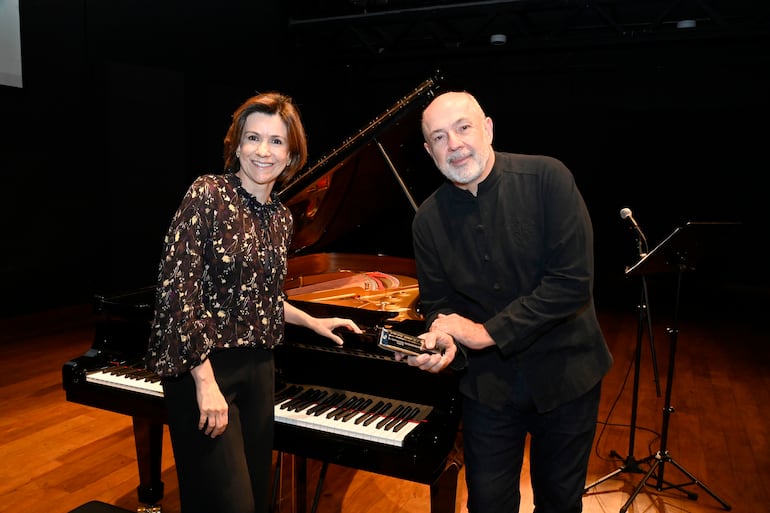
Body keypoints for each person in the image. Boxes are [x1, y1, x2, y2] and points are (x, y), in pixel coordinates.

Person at [145, 91, 362, 513]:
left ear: (291, 154)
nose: (264, 151)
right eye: (253, 138)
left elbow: (261, 299)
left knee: (260, 500)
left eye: (276, 141)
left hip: (259, 369)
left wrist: (313, 321)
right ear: (237, 145)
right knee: (229, 505)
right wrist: (206, 385)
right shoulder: (207, 194)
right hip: (203, 369)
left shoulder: (281, 218)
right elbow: (176, 291)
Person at [399, 90, 613, 513]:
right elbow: (439, 306)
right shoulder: (426, 220)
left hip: (568, 375)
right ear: (429, 150)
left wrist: (483, 333)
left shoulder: (549, 178)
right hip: (489, 387)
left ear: (488, 128)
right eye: (439, 137)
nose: (454, 144)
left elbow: (571, 283)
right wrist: (444, 343)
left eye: (463, 128)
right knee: (488, 504)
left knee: (559, 502)